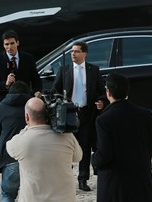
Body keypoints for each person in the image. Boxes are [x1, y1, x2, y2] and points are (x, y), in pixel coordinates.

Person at [92, 73, 152, 202]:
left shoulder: (104, 119)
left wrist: (93, 158)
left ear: (109, 93)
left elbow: (104, 155)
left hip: (115, 185)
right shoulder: (146, 115)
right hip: (141, 181)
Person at [52, 41, 106, 191]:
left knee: (85, 147)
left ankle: (83, 179)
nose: (73, 54)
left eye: (76, 51)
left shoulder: (94, 70)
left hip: (87, 114)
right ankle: (65, 178)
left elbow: (102, 91)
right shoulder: (64, 69)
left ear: (85, 53)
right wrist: (59, 102)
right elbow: (55, 89)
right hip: (68, 114)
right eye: (71, 52)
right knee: (65, 148)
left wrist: (101, 101)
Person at [6, 97, 83, 202]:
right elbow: (78, 157)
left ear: (27, 117)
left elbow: (9, 148)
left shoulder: (21, 141)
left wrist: (26, 128)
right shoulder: (67, 136)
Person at [0, 81, 31, 202]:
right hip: (31, 157)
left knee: (8, 195)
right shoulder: (34, 106)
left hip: (10, 158)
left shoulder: (0, 107)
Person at [0, 30, 42, 103]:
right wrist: (6, 84)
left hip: (25, 99)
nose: (9, 47)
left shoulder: (28, 58)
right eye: (6, 44)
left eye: (12, 43)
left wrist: (37, 91)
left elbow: (35, 78)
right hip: (5, 101)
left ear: (17, 43)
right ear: (3, 45)